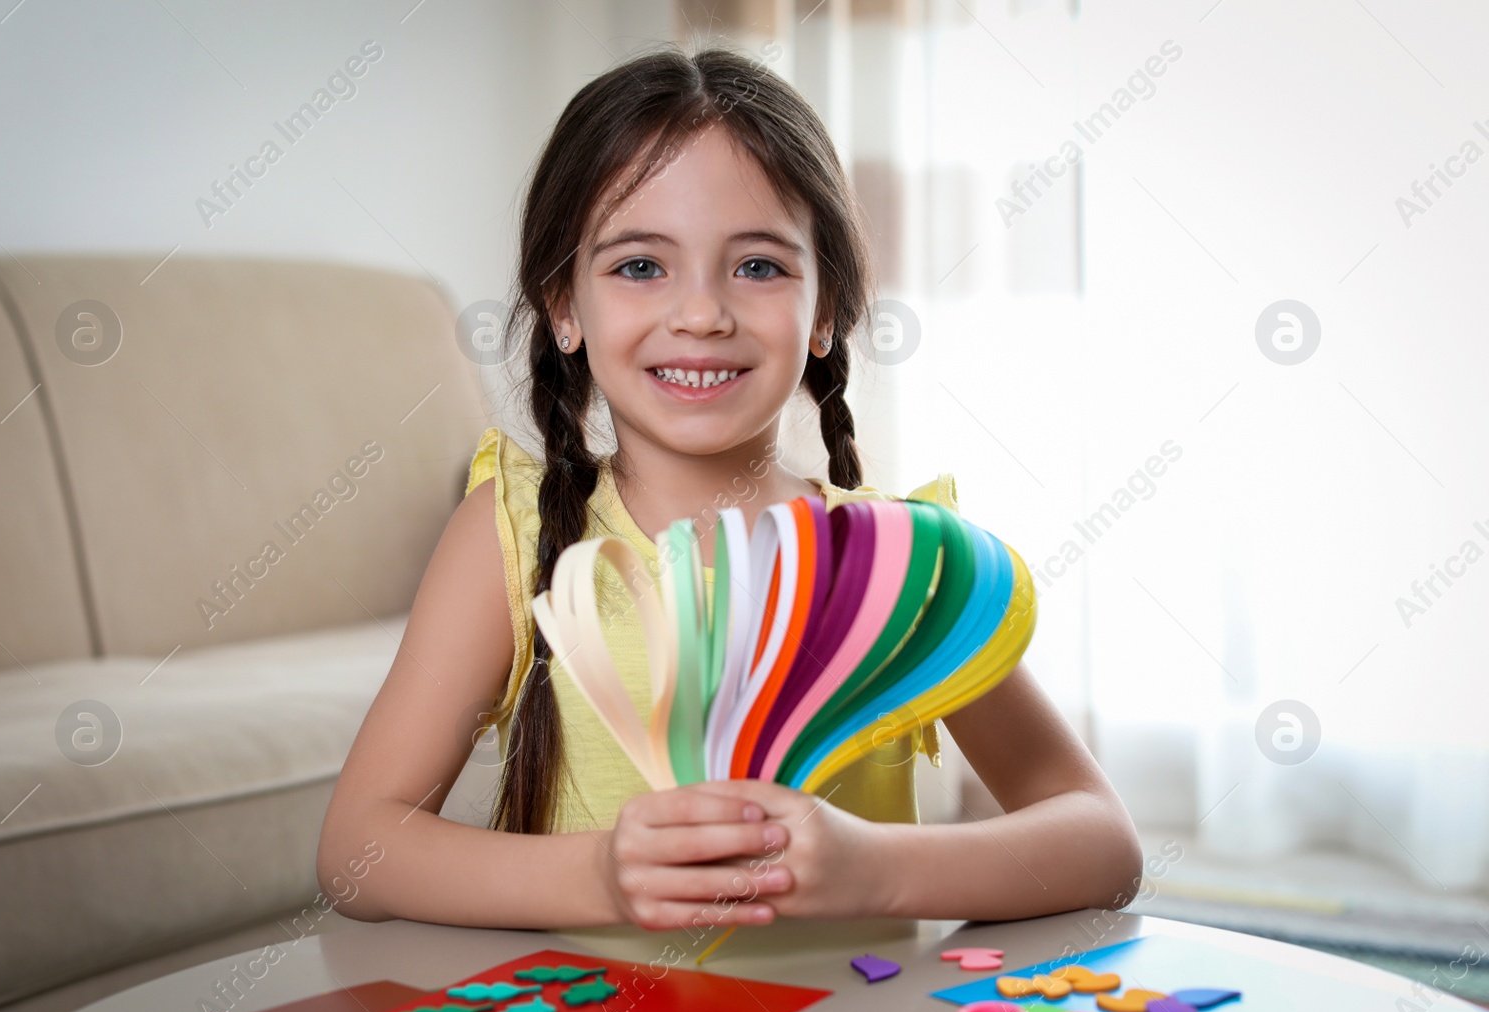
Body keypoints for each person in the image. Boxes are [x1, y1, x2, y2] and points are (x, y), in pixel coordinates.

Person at [317, 45, 1140, 933]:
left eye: (757, 266)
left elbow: (1103, 843)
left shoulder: (902, 566)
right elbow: (358, 849)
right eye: (640, 266)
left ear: (825, 310)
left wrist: (877, 869)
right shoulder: (507, 535)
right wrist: (602, 874)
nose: (702, 312)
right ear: (564, 305)